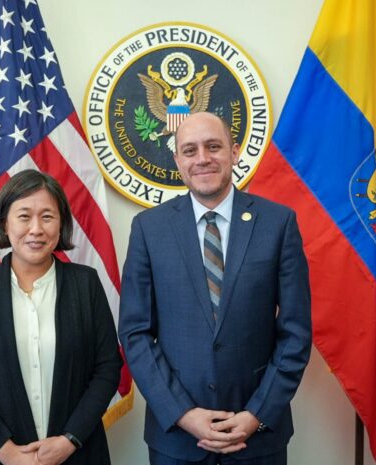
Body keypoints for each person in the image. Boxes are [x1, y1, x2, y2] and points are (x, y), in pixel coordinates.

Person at [119, 112, 312, 465]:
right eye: (190, 150)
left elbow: (295, 331)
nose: (202, 158)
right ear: (177, 160)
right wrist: (182, 414)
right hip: (177, 440)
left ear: (234, 152)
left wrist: (256, 414)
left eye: (213, 146)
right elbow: (135, 333)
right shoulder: (148, 228)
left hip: (257, 437)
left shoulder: (279, 223)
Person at [0, 169, 122, 465]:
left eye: (47, 217)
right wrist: (7, 452)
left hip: (78, 454)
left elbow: (107, 369)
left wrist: (70, 440)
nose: (36, 229)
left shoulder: (85, 283)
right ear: (5, 223)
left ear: (61, 223)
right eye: (24, 216)